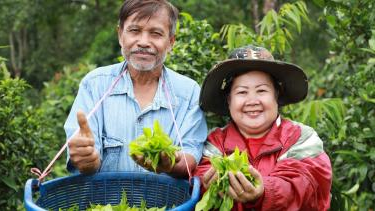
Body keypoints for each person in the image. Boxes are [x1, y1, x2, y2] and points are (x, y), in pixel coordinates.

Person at [64, 0, 207, 178]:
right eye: (134, 31)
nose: (144, 42)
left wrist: (170, 164)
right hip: (104, 203)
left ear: (171, 42)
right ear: (120, 36)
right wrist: (87, 159)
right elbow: (85, 158)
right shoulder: (95, 85)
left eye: (156, 33)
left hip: (168, 205)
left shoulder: (188, 92)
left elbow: (190, 157)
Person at [194, 45, 332, 210]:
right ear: (229, 100)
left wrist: (265, 191)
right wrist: (205, 185)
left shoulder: (301, 138)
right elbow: (198, 177)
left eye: (261, 91)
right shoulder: (216, 143)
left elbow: (306, 185)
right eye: (242, 92)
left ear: (276, 95)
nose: (252, 101)